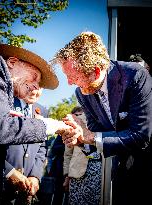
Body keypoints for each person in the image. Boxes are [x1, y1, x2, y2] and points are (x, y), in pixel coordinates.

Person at [52, 31, 152, 205]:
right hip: (121, 171)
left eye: (73, 77)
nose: (69, 83)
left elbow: (141, 136)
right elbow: (96, 133)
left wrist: (89, 136)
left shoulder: (135, 75)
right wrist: (80, 138)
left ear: (96, 71)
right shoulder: (82, 92)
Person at [0, 43, 71, 205]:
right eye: (35, 77)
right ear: (12, 62)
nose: (37, 86)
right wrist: (51, 126)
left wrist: (35, 176)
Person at [1, 94, 48, 205]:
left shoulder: (42, 110)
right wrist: (9, 172)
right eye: (33, 80)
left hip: (26, 189)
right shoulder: (3, 102)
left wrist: (35, 176)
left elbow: (42, 147)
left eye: (40, 85)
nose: (35, 89)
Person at [63, 106, 101, 205]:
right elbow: (68, 154)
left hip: (98, 170)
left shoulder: (97, 118)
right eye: (76, 115)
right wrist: (67, 175)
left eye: (81, 113)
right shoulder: (72, 126)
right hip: (76, 171)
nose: (79, 116)